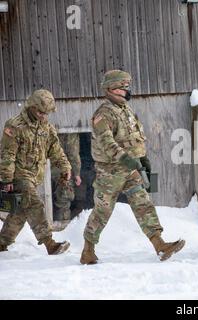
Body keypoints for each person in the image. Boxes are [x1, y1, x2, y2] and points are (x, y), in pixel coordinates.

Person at [80, 70, 185, 264]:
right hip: (110, 172)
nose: (127, 90)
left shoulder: (125, 109)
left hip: (131, 169)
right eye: (123, 87)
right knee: (103, 211)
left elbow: (135, 138)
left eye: (128, 87)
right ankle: (88, 251)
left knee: (143, 203)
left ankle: (159, 245)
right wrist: (126, 158)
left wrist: (142, 158)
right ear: (110, 89)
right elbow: (107, 143)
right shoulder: (103, 114)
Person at [0, 90, 71, 254]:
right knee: (34, 205)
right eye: (40, 112)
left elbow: (56, 150)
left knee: (20, 213)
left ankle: (2, 242)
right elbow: (7, 155)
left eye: (45, 113)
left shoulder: (46, 127)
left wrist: (65, 167)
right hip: (18, 176)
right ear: (31, 107)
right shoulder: (15, 126)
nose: (42, 115)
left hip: (34, 177)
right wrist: (6, 180)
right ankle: (50, 243)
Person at [51, 133, 82, 223]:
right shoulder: (69, 131)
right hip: (62, 172)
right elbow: (73, 153)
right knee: (63, 201)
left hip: (41, 171)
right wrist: (77, 173)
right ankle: (62, 229)